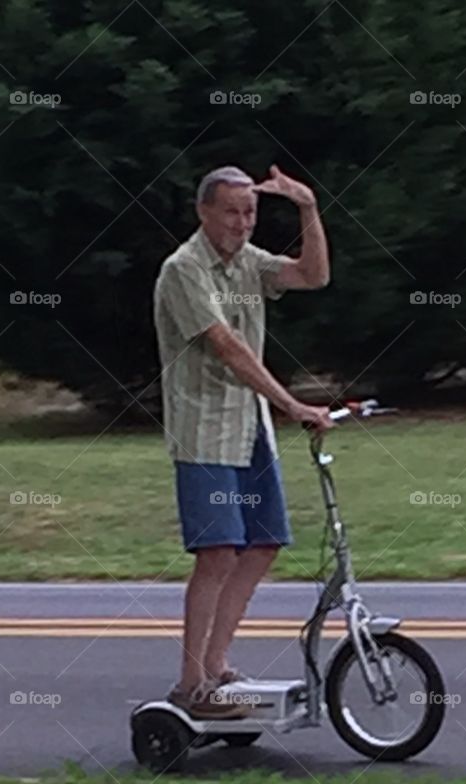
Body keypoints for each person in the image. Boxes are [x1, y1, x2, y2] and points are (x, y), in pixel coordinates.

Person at [153, 164, 334, 718]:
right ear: (203, 212)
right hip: (205, 430)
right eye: (230, 211)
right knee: (217, 552)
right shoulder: (184, 270)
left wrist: (307, 207)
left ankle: (217, 664)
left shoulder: (249, 264)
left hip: (248, 428)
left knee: (263, 543)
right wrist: (293, 404)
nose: (241, 222)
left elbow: (313, 276)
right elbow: (227, 347)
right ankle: (190, 683)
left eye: (249, 211)